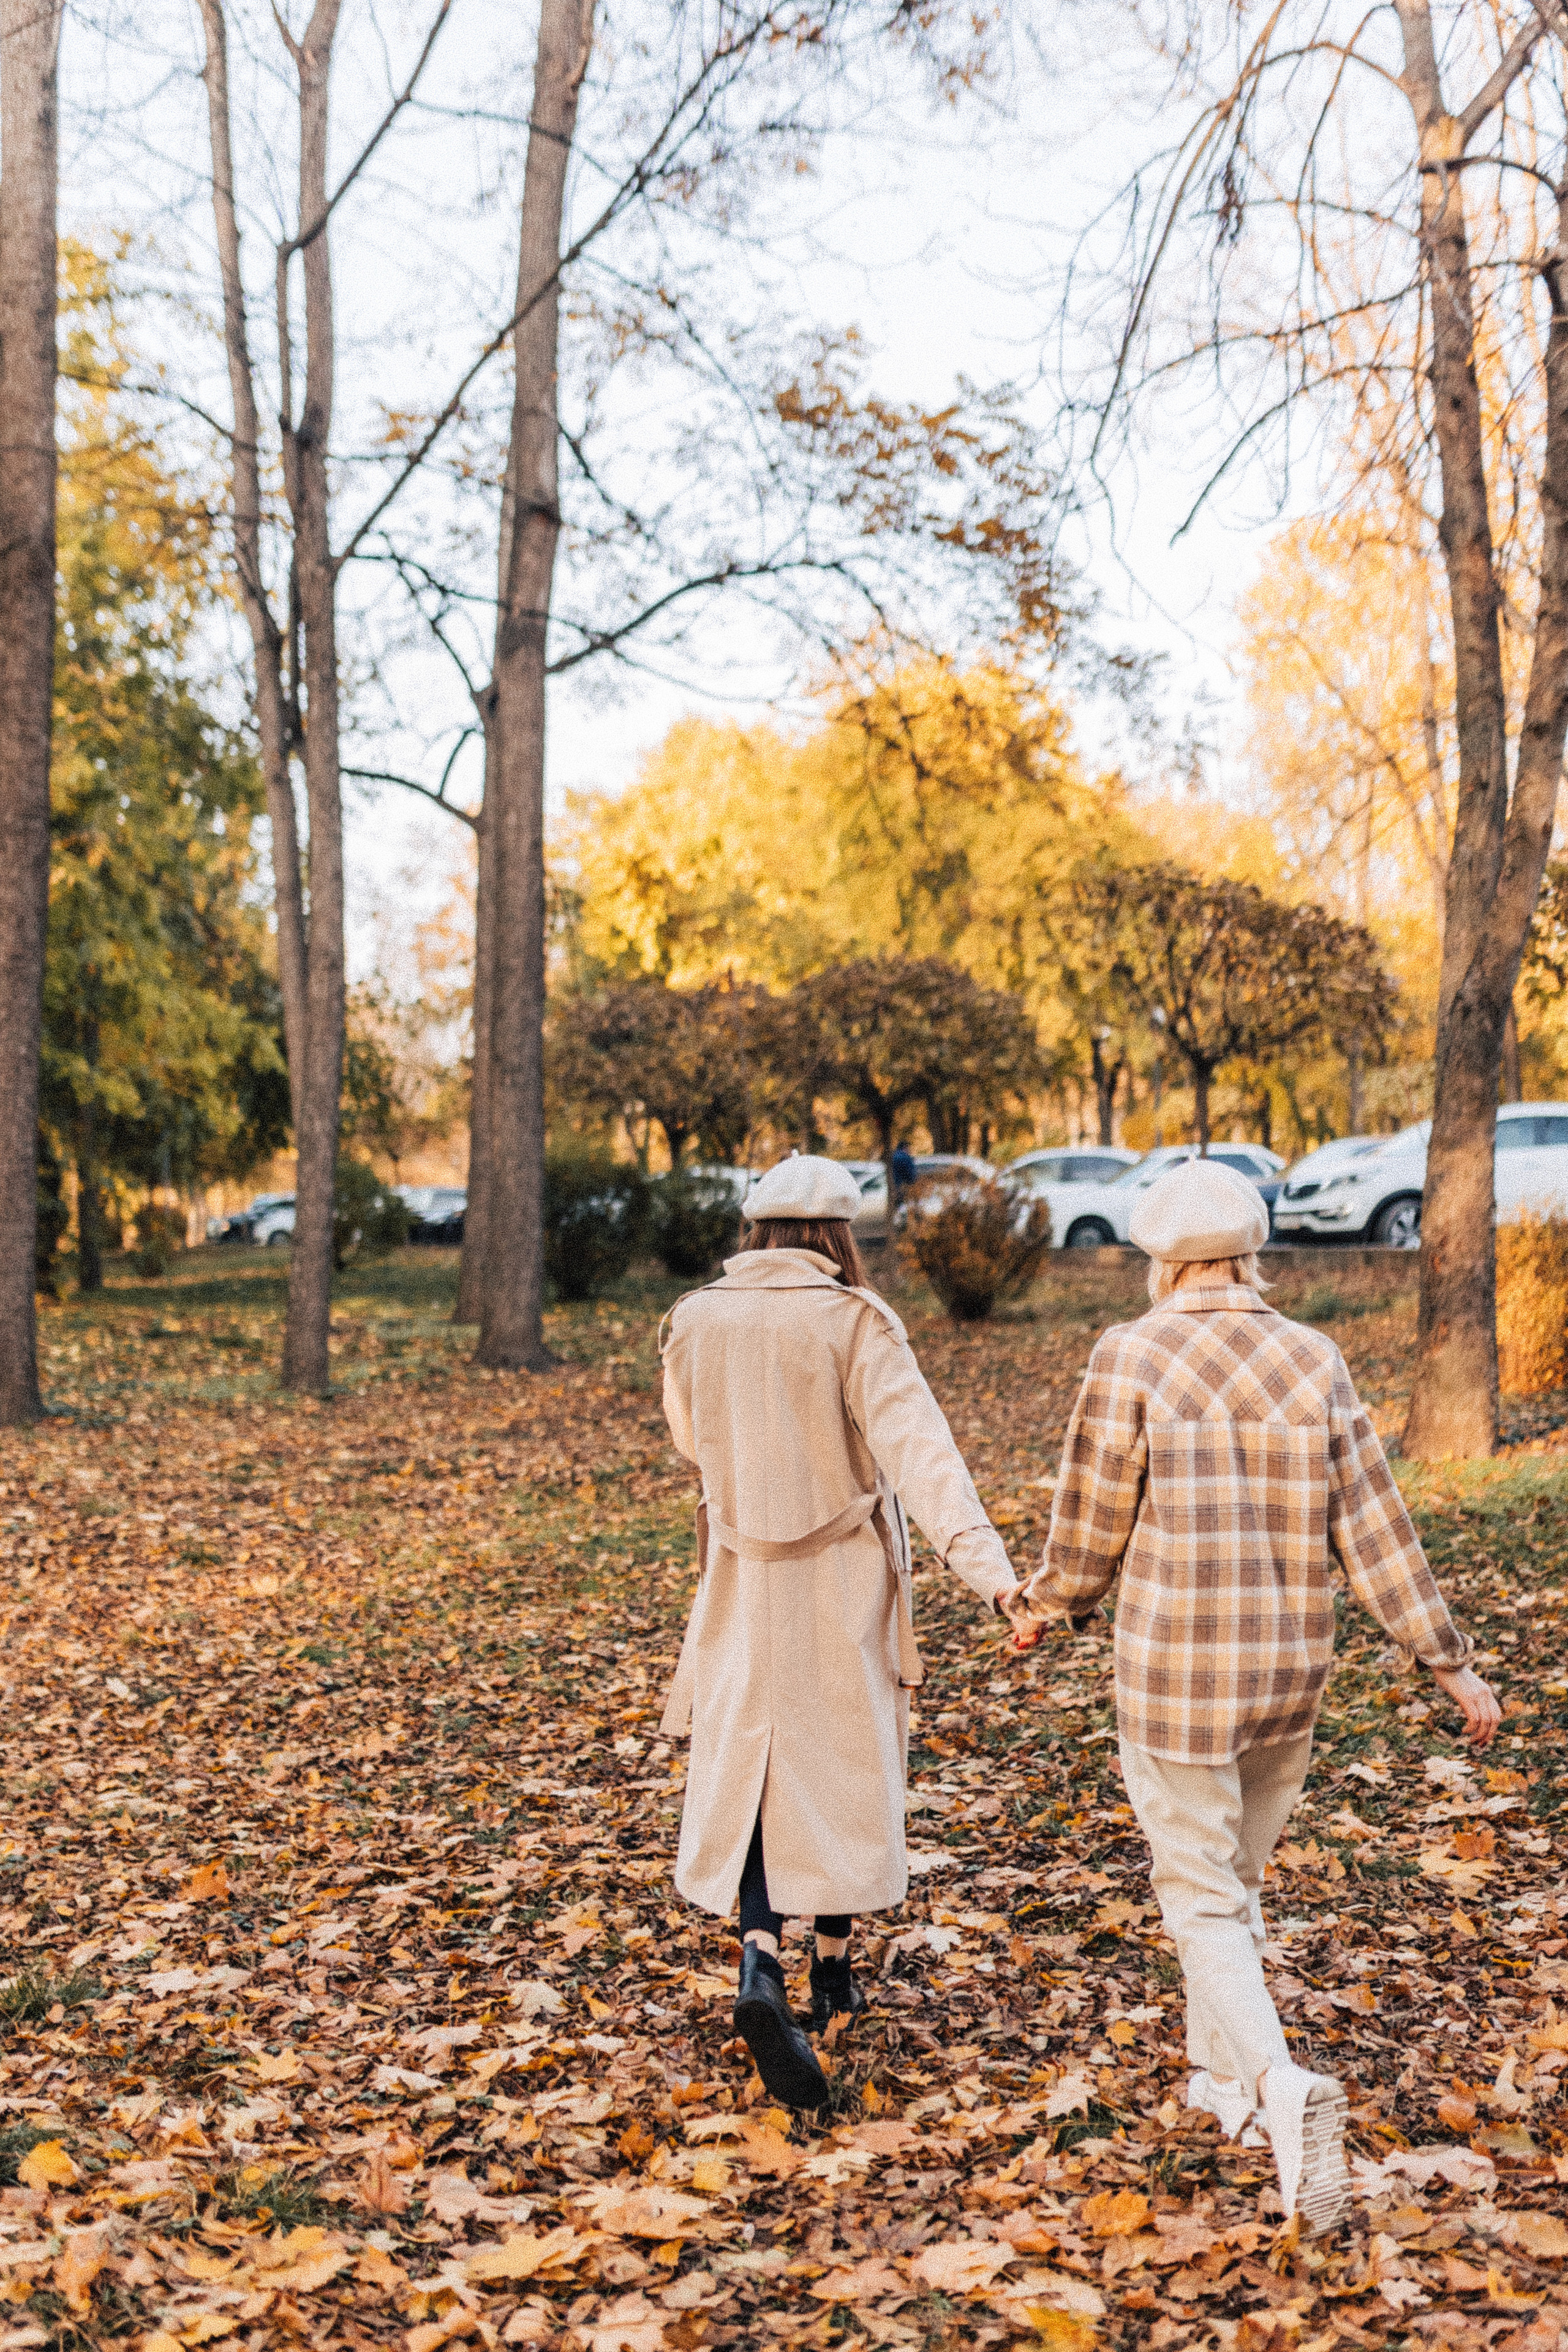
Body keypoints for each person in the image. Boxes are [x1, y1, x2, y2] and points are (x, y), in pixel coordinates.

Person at [1012, 1158, 1498, 2234]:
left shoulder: (1130, 1354)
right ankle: (1220, 2083)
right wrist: (1446, 1657)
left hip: (1176, 1675)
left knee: (1200, 1895)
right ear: (1252, 1248)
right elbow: (1373, 1525)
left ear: (1157, 1261)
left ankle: (1277, 2089)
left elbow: (1091, 1521)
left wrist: (1049, 1602)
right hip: (1287, 1677)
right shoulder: (1309, 1356)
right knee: (1229, 1887)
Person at [658, 1152, 1023, 2107]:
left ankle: (760, 1965)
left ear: (756, 1231)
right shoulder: (856, 1323)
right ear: (835, 1235)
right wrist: (996, 1581)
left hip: (740, 1576)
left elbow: (692, 1441)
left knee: (752, 1769)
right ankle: (833, 1973)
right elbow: (924, 1460)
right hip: (838, 1579)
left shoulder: (694, 1320)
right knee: (847, 1769)